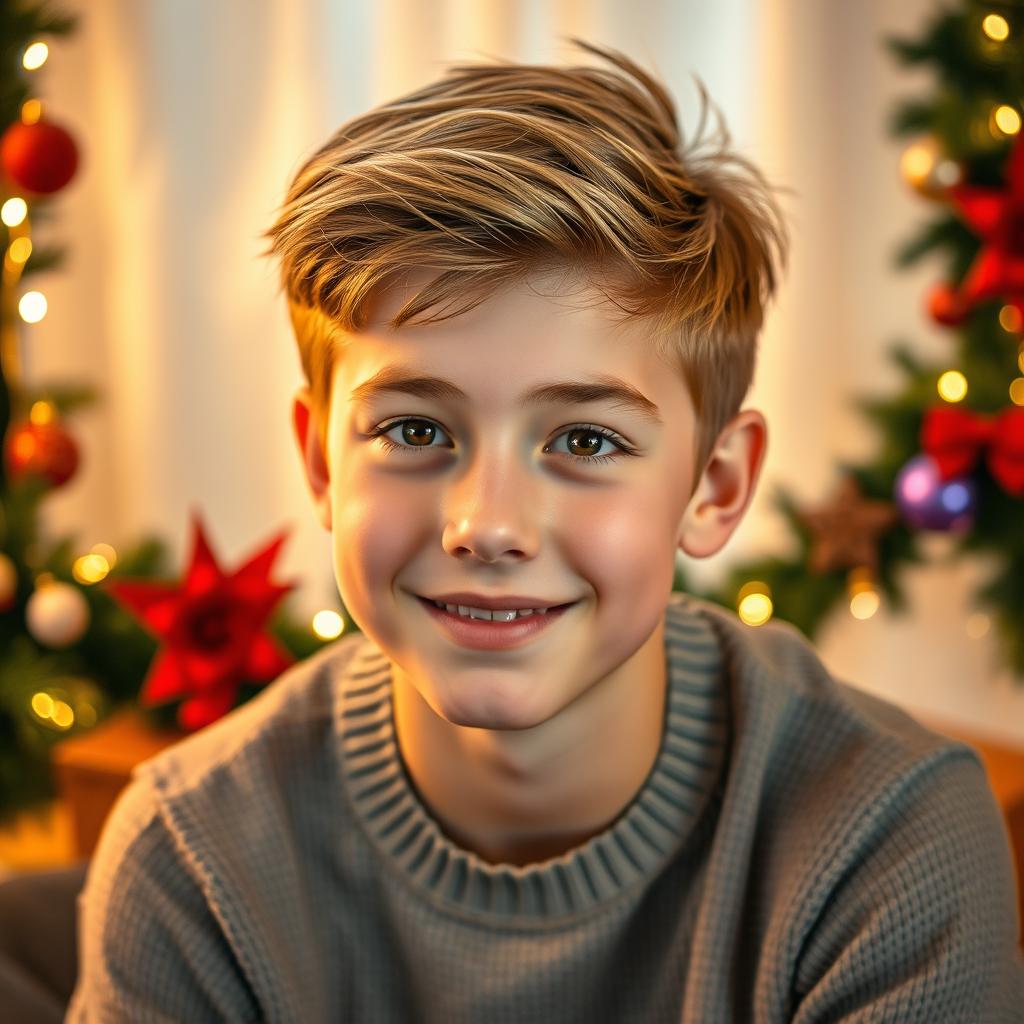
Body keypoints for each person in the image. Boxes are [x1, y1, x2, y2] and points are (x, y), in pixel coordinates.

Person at [65, 37, 1024, 1022]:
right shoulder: (190, 865)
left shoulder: (891, 845)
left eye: (584, 438)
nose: (487, 525)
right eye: (414, 429)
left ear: (714, 485)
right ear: (320, 463)